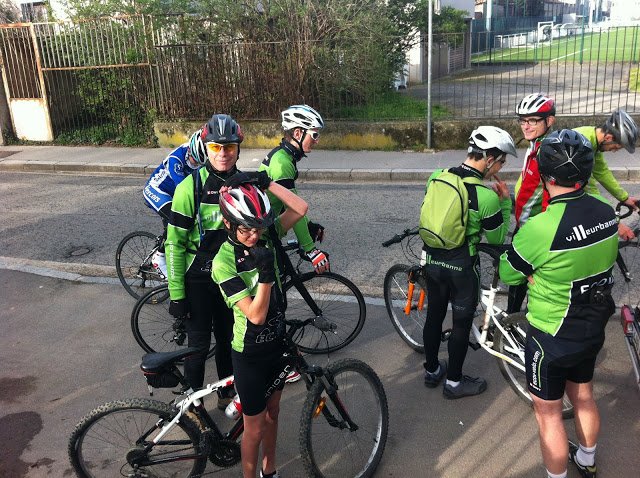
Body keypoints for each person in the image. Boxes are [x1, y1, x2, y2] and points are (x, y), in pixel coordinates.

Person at [499, 129, 618, 478]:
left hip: (550, 334)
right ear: (584, 173)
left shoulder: (540, 227)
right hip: (591, 326)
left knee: (548, 413)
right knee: (583, 397)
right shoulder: (606, 213)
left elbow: (509, 272)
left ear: (547, 176)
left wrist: (533, 272)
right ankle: (587, 458)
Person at [212, 178, 308, 478]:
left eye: (259, 228)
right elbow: (255, 315)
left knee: (274, 413)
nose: (254, 235)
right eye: (245, 229)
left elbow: (300, 208)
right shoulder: (223, 262)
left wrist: (267, 183)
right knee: (254, 427)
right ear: (228, 224)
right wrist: (266, 276)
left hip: (276, 345)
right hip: (250, 352)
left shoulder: (266, 237)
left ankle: (271, 469)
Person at [421, 126, 516, 398]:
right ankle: (454, 383)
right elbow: (497, 238)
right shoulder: (485, 197)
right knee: (461, 324)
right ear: (488, 159)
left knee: (434, 316)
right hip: (462, 268)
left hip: (433, 261)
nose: (501, 166)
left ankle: (431, 371)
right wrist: (505, 203)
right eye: (501, 161)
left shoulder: (437, 177)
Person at [164, 113, 243, 409]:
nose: (223, 154)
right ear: (206, 148)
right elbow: (174, 244)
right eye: (216, 148)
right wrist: (177, 295)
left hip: (229, 277)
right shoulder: (189, 187)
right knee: (197, 347)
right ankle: (192, 403)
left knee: (228, 341)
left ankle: (227, 392)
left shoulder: (244, 184)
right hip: (197, 280)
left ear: (238, 149)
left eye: (230, 147)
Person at [258, 104, 329, 274]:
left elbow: (292, 204)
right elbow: (294, 208)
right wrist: (311, 250)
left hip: (268, 226)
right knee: (274, 291)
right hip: (261, 235)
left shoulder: (282, 156)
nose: (317, 140)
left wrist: (309, 225)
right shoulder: (282, 165)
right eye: (314, 134)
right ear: (298, 133)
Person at [508, 93, 557, 314]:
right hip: (525, 226)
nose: (526, 126)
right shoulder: (535, 145)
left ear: (550, 121)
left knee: (525, 280)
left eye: (533, 120)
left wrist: (542, 239)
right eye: (523, 120)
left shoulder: (548, 152)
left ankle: (519, 327)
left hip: (536, 232)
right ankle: (511, 324)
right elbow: (529, 189)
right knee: (516, 281)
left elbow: (551, 197)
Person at [143, 130, 207, 277]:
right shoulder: (176, 159)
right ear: (190, 150)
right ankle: (159, 257)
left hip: (172, 194)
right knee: (176, 219)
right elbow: (185, 189)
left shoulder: (203, 159)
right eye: (193, 161)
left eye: (199, 163)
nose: (195, 165)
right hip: (156, 190)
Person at [575, 108, 640, 240]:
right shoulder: (582, 146)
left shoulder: (592, 139)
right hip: (538, 197)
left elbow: (602, 172)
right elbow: (590, 190)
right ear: (609, 137)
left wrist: (624, 197)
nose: (614, 151)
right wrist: (615, 222)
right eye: (616, 147)